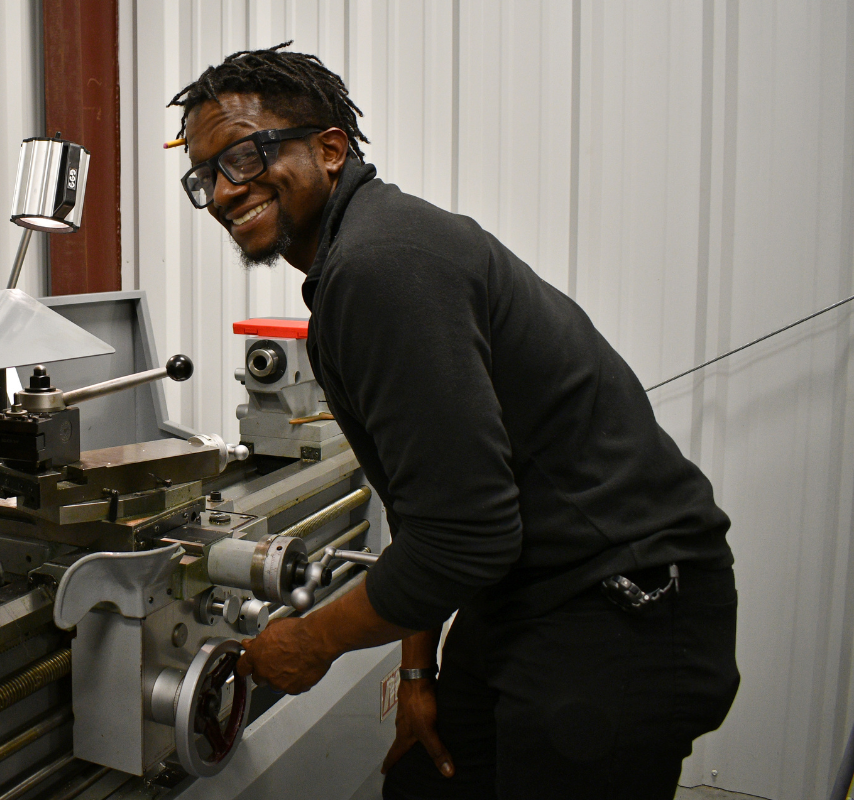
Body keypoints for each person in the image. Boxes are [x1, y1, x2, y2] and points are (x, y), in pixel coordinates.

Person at [168, 43, 739, 799]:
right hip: (529, 597)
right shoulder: (358, 258)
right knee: (420, 781)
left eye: (241, 156)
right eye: (204, 176)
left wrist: (311, 640)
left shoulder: (382, 263)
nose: (223, 192)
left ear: (331, 149)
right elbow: (424, 509)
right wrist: (416, 669)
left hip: (621, 609)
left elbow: (468, 536)